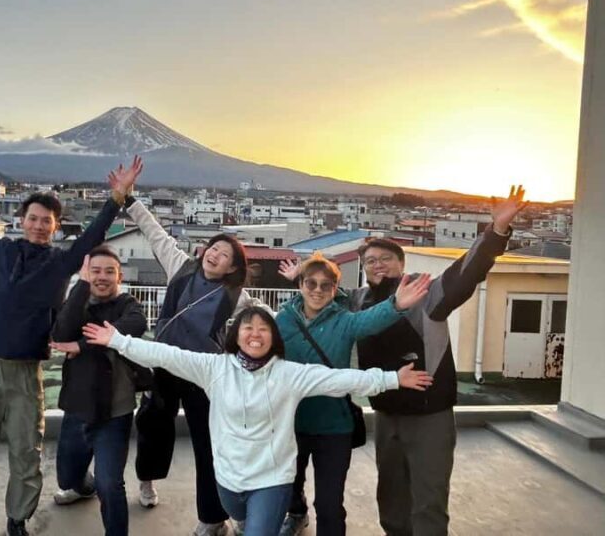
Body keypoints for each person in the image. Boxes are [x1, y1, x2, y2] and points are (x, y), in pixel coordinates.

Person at [0, 125, 141, 536]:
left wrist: (118, 198)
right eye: (34, 218)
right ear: (21, 220)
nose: (40, 225)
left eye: (48, 221)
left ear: (57, 228)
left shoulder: (60, 264)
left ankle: (17, 520)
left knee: (27, 451)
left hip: (27, 371)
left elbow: (95, 234)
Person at [278, 186, 528, 536]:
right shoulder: (358, 300)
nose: (378, 265)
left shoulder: (426, 295)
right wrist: (299, 279)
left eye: (386, 259)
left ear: (402, 264)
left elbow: (466, 273)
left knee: (428, 499)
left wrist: (496, 232)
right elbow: (320, 295)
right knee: (391, 497)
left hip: (429, 415)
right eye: (371, 261)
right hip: (387, 412)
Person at [67, 298, 433, 536]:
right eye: (247, 328)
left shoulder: (289, 373)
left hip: (272, 477)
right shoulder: (214, 368)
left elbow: (341, 379)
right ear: (236, 335)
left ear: (273, 338)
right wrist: (118, 340)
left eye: (263, 329)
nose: (255, 334)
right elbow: (165, 354)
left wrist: (391, 378)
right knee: (238, 516)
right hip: (228, 476)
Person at [123, 194, 260, 536]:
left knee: (208, 443)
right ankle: (147, 480)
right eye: (213, 248)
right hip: (166, 364)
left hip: (204, 373)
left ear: (232, 267)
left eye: (224, 254)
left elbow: (263, 322)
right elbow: (155, 232)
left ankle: (213, 518)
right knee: (154, 425)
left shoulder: (236, 297)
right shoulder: (181, 267)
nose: (214, 255)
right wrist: (129, 200)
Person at [50, 247, 148, 535]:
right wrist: (81, 287)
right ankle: (83, 487)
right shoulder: (77, 302)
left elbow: (137, 325)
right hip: (78, 408)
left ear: (119, 276)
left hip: (115, 411)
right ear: (86, 274)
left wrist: (83, 345)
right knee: (68, 477)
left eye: (109, 272)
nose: (102, 277)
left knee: (111, 483)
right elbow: (61, 333)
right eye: (95, 271)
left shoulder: (127, 304)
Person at [275, 253, 367, 536]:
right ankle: (297, 513)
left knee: (329, 503)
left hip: (333, 426)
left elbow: (375, 316)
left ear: (334, 289)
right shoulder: (284, 319)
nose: (317, 290)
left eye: (326, 285)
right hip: (290, 422)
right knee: (288, 485)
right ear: (300, 285)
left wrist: (399, 305)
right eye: (310, 283)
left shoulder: (345, 320)